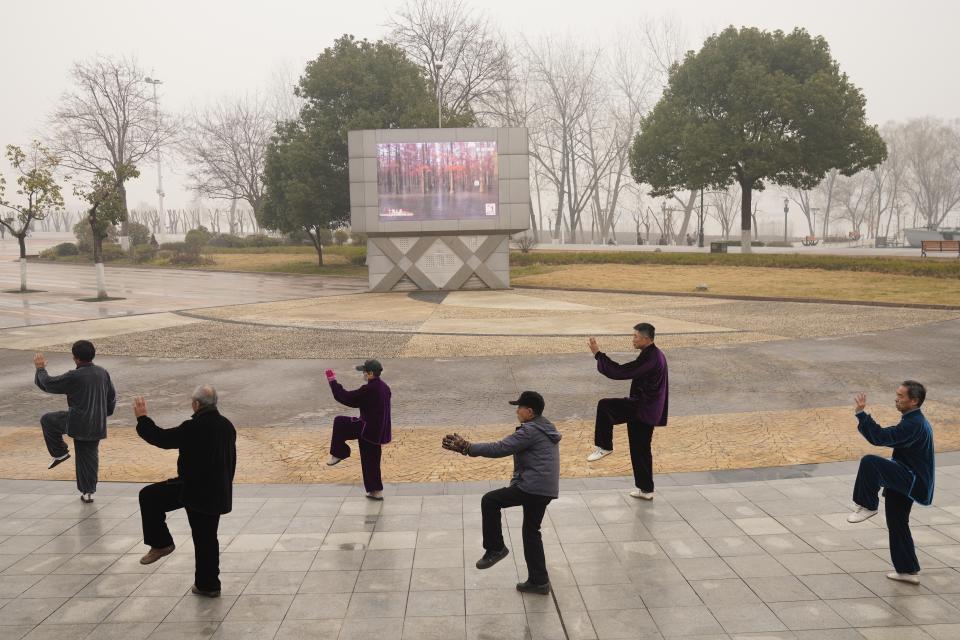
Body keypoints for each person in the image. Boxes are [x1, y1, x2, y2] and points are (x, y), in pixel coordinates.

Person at [443, 391, 561, 595]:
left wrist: (468, 448)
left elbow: (500, 448)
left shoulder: (530, 431)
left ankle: (495, 548)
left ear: (529, 411)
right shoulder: (545, 427)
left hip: (533, 488)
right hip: (545, 488)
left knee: (490, 501)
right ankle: (539, 581)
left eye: (519, 407)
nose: (516, 411)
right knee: (531, 532)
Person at [134, 386, 237, 598]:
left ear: (196, 404)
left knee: (149, 496)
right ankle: (208, 585)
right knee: (207, 538)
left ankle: (162, 543)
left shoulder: (194, 427)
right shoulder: (227, 426)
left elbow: (161, 438)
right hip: (217, 491)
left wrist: (143, 418)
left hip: (194, 490)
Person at [846, 381, 934, 585]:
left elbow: (880, 437)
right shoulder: (913, 420)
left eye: (901, 396)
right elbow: (888, 436)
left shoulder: (913, 424)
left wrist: (861, 415)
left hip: (911, 479)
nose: (896, 398)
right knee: (897, 522)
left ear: (914, 401)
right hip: (909, 478)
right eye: (897, 394)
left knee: (870, 462)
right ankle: (907, 571)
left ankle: (868, 505)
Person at [586, 322, 668, 501]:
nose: (633, 340)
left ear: (646, 339)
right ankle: (646, 490)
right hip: (649, 409)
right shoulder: (654, 354)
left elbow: (621, 372)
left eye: (635, 337)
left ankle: (604, 446)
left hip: (642, 406)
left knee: (605, 406)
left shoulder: (651, 357)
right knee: (640, 449)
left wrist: (598, 355)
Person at [34, 341, 116, 503]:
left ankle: (60, 452)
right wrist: (101, 415)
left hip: (78, 422)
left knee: (48, 420)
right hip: (96, 424)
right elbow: (111, 398)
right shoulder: (102, 373)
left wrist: (40, 368)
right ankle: (88, 492)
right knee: (89, 457)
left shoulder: (75, 376)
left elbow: (49, 384)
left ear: (75, 358)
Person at [326, 359, 392, 500]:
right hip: (378, 433)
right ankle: (376, 491)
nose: (362, 374)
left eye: (364, 371)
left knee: (339, 422)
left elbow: (346, 397)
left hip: (366, 428)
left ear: (370, 373)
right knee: (371, 459)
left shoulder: (369, 389)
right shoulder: (385, 388)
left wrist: (333, 382)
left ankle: (339, 452)